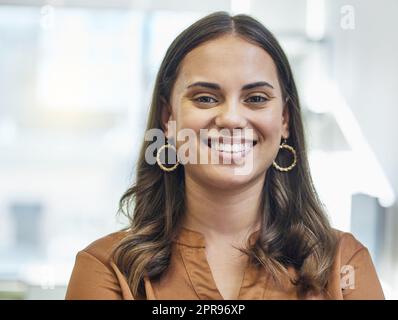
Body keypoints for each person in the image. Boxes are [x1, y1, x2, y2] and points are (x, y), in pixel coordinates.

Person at [65, 11, 384, 300]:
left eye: (256, 98)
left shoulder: (343, 264)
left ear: (284, 119)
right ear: (168, 119)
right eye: (205, 98)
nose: (231, 118)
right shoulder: (107, 268)